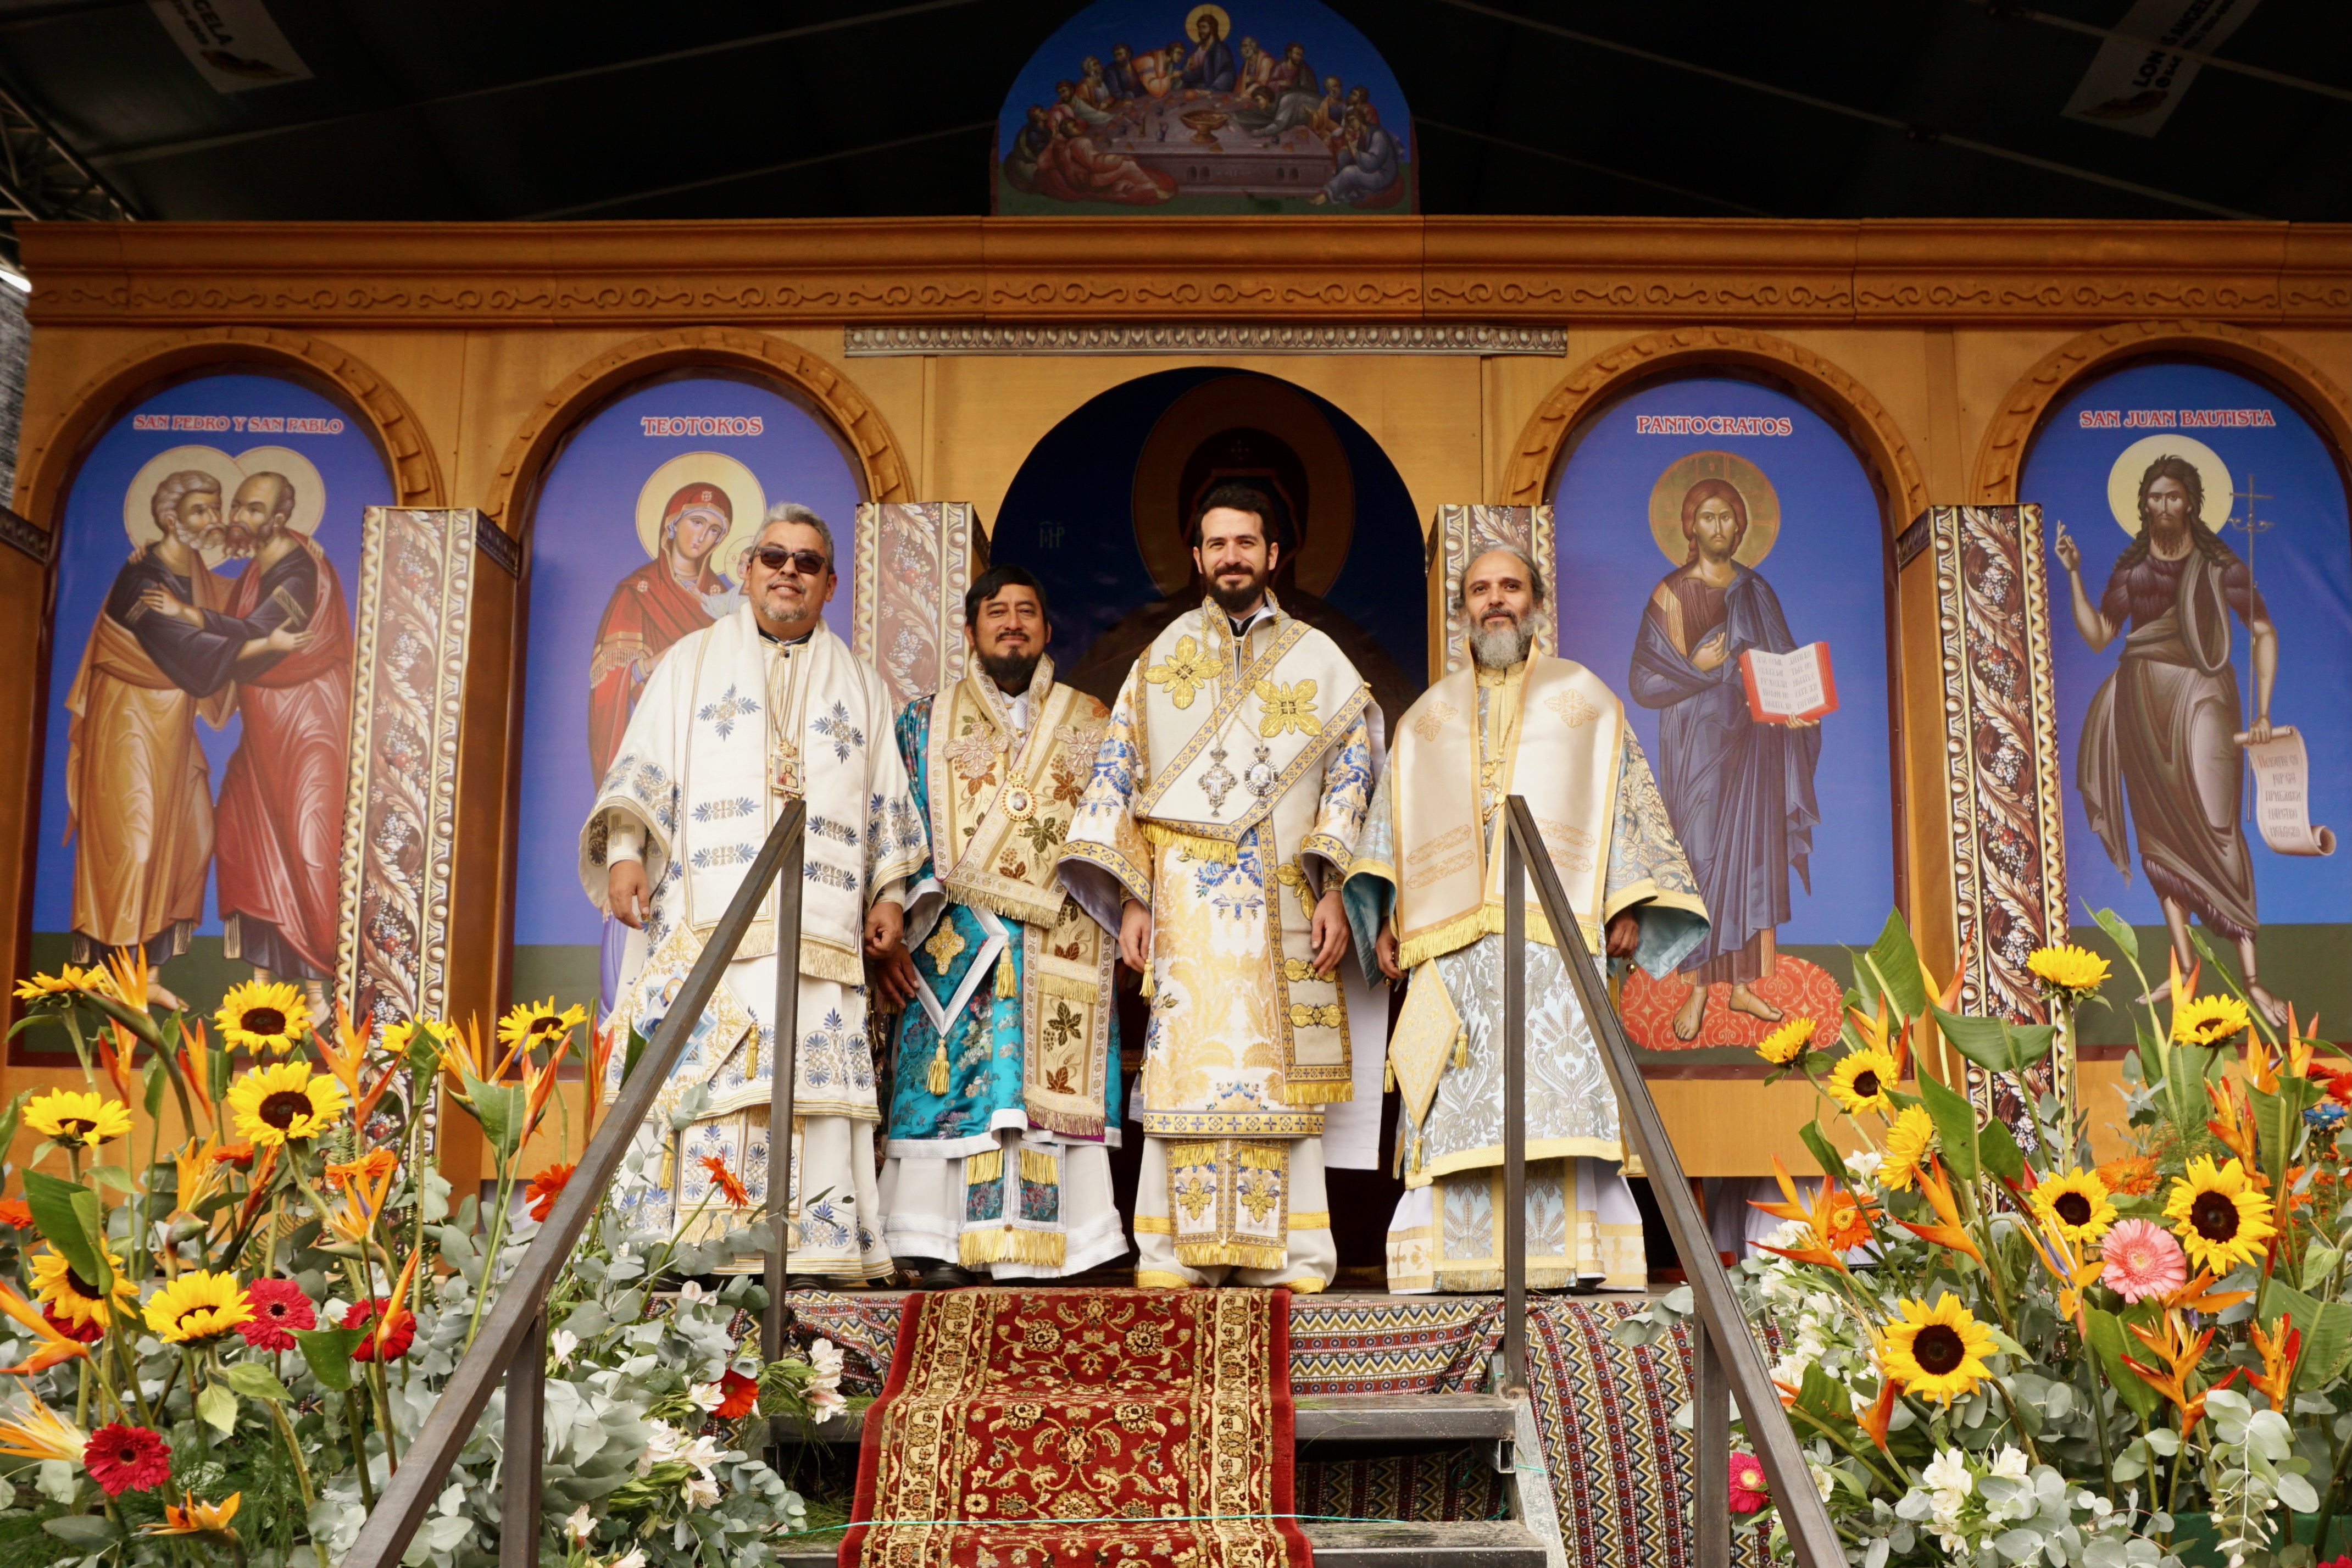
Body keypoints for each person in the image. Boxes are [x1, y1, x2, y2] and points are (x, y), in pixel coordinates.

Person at [1348, 547, 1708, 1293]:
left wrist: (1627, 900)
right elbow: (1387, 828)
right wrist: (1384, 913)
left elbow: (1626, 806)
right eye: (1480, 590)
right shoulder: (1427, 719)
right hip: (1454, 952)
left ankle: (1578, 1258)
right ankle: (1449, 1263)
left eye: (1510, 586)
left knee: (1560, 1094)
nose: (1495, 601)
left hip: (1558, 945)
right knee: (1455, 1096)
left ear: (1536, 601)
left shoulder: (1587, 701)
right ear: (1461, 613)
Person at [583, 503, 926, 1282]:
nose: (788, 572)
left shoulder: (861, 684)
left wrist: (890, 895)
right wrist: (627, 854)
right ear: (747, 569)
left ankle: (817, 1248)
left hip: (822, 929)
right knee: (709, 1086)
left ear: (829, 583)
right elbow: (643, 772)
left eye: (807, 563)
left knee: (809, 1090)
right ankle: (693, 1251)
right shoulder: (688, 664)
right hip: (711, 926)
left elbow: (887, 805)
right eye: (774, 557)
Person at [1058, 482, 1378, 1292]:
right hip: (1187, 906)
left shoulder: (1317, 656)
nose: (1231, 556)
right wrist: (1134, 894)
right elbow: (1118, 772)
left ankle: (1295, 1256)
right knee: (1188, 1071)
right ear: (1196, 557)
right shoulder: (1161, 656)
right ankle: (1172, 1254)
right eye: (1216, 544)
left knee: (1280, 1080)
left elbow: (1353, 770)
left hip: (1288, 897)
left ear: (1274, 555)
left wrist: (1335, 880)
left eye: (1246, 543)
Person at [871, 565, 1122, 1288]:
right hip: (954, 939)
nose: (1012, 623)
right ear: (970, 629)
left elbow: (1116, 828)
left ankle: (1070, 1243)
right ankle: (937, 1240)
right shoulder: (923, 720)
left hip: (1059, 939)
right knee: (959, 1090)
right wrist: (900, 901)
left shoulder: (1091, 719)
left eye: (1027, 612)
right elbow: (898, 820)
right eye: (996, 612)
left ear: (1047, 629)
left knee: (1046, 1089)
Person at [2059, 454, 2282, 1026]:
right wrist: (2074, 575)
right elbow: (2098, 636)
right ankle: (2184, 966)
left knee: (2217, 824)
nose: (2164, 506)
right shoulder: (2132, 574)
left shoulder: (2219, 566)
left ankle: (2253, 978)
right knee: (2158, 836)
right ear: (2144, 505)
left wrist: (2261, 712)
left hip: (2204, 697)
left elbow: (2261, 630)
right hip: (2141, 700)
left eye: (2174, 497)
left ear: (2192, 503)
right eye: (2155, 497)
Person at [142, 471, 351, 1010]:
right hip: (263, 733)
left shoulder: (300, 569)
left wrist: (184, 615)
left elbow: (262, 632)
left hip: (307, 725)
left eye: (253, 510)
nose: (240, 518)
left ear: (280, 519)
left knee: (309, 844)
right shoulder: (256, 570)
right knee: (244, 836)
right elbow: (243, 630)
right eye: (239, 506)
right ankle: (262, 991)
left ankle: (318, 990)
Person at [1628, 477, 1821, 1041]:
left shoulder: (1756, 591)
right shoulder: (1670, 594)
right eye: (1708, 518)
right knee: (1703, 855)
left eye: (1728, 518)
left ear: (1742, 527)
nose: (1719, 528)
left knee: (1754, 857)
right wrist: (1703, 667)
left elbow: (1782, 664)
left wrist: (1796, 710)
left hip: (1757, 745)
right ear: (1690, 526)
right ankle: (1696, 988)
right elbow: (1644, 680)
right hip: (1698, 745)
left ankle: (1742, 986)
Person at [62, 472, 240, 985]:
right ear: (170, 518)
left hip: (174, 726)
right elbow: (185, 656)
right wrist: (252, 648)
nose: (214, 519)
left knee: (192, 839)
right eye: (202, 510)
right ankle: (119, 980)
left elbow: (245, 602)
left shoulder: (200, 577)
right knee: (136, 848)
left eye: (216, 507)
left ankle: (151, 978)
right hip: (128, 721)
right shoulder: (140, 581)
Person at [589, 482, 736, 787]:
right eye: (697, 522)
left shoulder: (721, 598)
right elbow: (609, 685)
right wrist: (658, 661)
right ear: (672, 524)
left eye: (713, 530)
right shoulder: (638, 590)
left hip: (711, 739)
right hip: (653, 736)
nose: (702, 537)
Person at [1035, 115, 1177, 205]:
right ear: (1068, 132)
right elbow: (1096, 164)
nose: (1078, 126)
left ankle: (1123, 187)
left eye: (1076, 124)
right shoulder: (1080, 143)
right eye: (1073, 127)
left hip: (1082, 179)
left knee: (1124, 171)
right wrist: (1120, 158)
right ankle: (1153, 189)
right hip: (1090, 180)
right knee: (1128, 165)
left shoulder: (1068, 145)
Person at [1313, 109, 1400, 205]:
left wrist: (1350, 145)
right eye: (1349, 122)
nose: (1352, 124)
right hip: (1372, 169)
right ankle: (1346, 189)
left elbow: (1372, 163)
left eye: (1353, 120)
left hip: (1383, 176)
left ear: (1361, 118)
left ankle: (1325, 195)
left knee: (1350, 172)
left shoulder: (1377, 135)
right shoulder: (1364, 133)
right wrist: (1347, 148)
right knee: (1343, 155)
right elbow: (1360, 151)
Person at [1181, 11, 1235, 94]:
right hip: (1192, 91)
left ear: (1212, 28)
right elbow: (1186, 76)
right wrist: (1187, 69)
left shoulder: (1221, 50)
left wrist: (1212, 90)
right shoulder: (1195, 50)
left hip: (1211, 91)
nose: (1201, 31)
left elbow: (1228, 73)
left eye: (1204, 27)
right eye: (1199, 28)